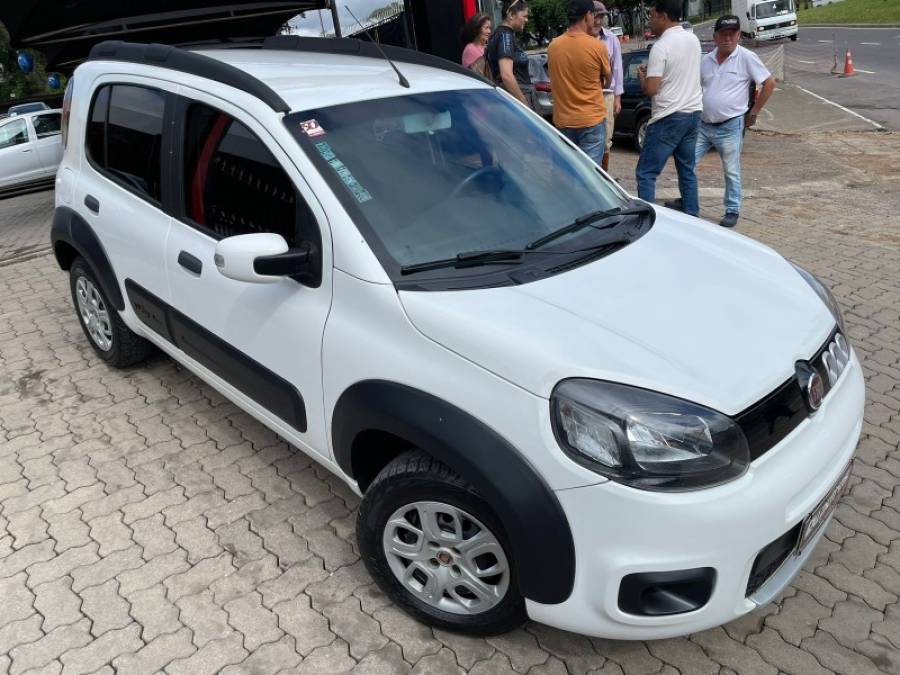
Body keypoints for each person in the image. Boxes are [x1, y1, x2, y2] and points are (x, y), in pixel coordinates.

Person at [695, 15, 776, 227]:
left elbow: (769, 82)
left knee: (731, 170)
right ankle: (687, 198)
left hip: (731, 124)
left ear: (739, 35)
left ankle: (732, 209)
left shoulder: (746, 57)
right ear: (715, 37)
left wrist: (755, 111)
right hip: (703, 124)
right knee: (687, 162)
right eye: (724, 34)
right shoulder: (706, 60)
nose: (728, 38)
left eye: (733, 34)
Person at [634, 0, 703, 216]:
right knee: (686, 170)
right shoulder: (693, 40)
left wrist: (642, 78)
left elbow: (652, 89)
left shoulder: (661, 46)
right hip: (693, 113)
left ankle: (648, 221)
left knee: (646, 173)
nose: (649, 22)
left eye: (652, 16)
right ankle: (692, 213)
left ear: (664, 16)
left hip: (668, 116)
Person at [547, 0, 611, 165]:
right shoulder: (597, 47)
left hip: (563, 121)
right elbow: (607, 82)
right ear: (587, 15)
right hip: (591, 120)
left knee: (566, 174)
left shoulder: (553, 46)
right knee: (589, 176)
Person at [487, 0, 534, 109]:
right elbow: (506, 75)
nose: (526, 20)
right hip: (517, 99)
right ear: (511, 15)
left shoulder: (501, 33)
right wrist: (524, 104)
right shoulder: (505, 35)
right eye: (524, 16)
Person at [593, 2, 623, 171]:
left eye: (601, 17)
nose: (598, 21)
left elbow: (617, 69)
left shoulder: (611, 39)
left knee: (605, 140)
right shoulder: (582, 38)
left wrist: (618, 98)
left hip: (606, 94)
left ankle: (603, 175)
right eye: (595, 16)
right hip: (587, 93)